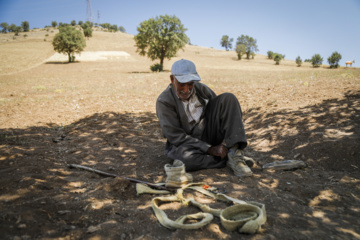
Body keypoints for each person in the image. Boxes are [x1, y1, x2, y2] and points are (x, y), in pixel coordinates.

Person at [156, 59, 254, 177]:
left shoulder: (201, 89)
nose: (186, 90)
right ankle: (226, 159)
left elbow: (220, 111)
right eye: (182, 84)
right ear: (172, 79)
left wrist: (217, 143)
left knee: (228, 98)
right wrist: (209, 149)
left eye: (190, 83)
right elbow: (175, 136)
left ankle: (234, 153)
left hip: (208, 133)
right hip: (186, 143)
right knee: (185, 160)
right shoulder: (164, 101)